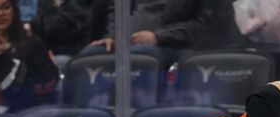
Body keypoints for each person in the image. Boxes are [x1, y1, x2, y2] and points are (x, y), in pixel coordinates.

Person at [0, 0, 59, 112]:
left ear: (14, 11)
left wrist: (8, 96)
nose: (1, 13)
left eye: (6, 6)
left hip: (22, 111)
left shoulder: (33, 44)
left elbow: (49, 80)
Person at [83, 0, 229, 69]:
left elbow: (208, 26)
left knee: (138, 56)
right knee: (90, 56)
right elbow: (118, 10)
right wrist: (112, 35)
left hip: (173, 46)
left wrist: (158, 37)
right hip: (129, 41)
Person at [25, 0, 90, 60]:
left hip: (73, 51)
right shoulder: (46, 2)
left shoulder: (78, 4)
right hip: (48, 50)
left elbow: (63, 27)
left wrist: (33, 26)